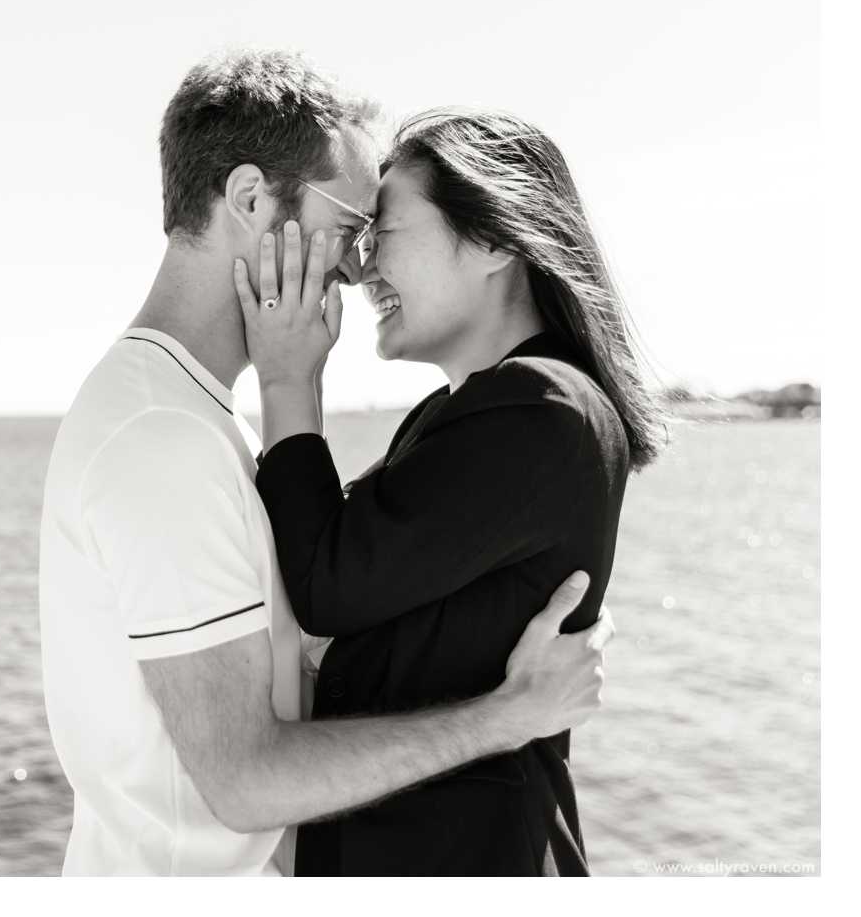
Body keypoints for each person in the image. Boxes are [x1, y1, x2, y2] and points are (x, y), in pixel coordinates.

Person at [40, 50, 610, 876]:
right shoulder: (161, 439)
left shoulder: (196, 420)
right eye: (349, 227)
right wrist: (506, 715)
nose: (355, 265)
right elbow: (244, 778)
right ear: (248, 199)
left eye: (375, 237)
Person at [242, 109, 657, 874]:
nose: (361, 270)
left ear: (496, 238)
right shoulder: (499, 408)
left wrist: (286, 378)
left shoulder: (538, 407)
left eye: (384, 235)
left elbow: (324, 586)